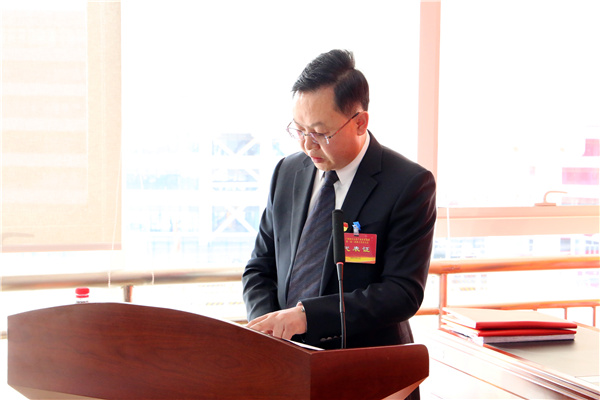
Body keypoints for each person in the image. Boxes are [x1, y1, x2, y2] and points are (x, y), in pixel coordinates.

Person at [243, 49, 436, 353]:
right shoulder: (287, 172)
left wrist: (307, 317)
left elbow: (401, 292)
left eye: (321, 133)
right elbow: (260, 267)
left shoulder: (407, 184)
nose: (307, 145)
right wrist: (269, 328)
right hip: (284, 357)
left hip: (365, 361)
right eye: (299, 130)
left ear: (360, 122)